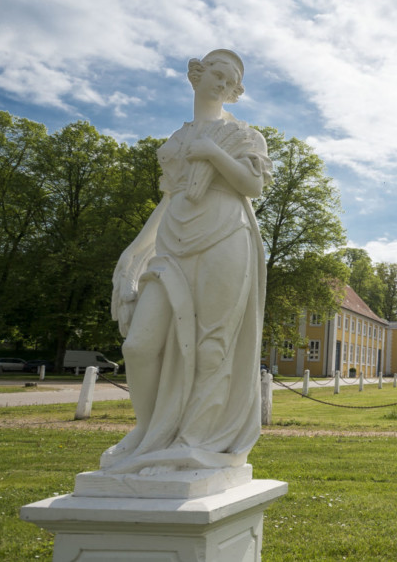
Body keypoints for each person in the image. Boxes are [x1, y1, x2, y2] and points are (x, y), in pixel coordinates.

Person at [103, 49, 272, 476]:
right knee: (139, 345)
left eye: (230, 80)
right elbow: (168, 200)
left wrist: (213, 153)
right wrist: (135, 251)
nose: (222, 83)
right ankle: (147, 434)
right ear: (196, 75)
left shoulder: (245, 136)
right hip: (173, 239)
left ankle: (192, 442)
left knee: (212, 345)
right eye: (216, 73)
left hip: (225, 233)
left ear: (236, 91)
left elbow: (252, 185)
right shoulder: (176, 141)